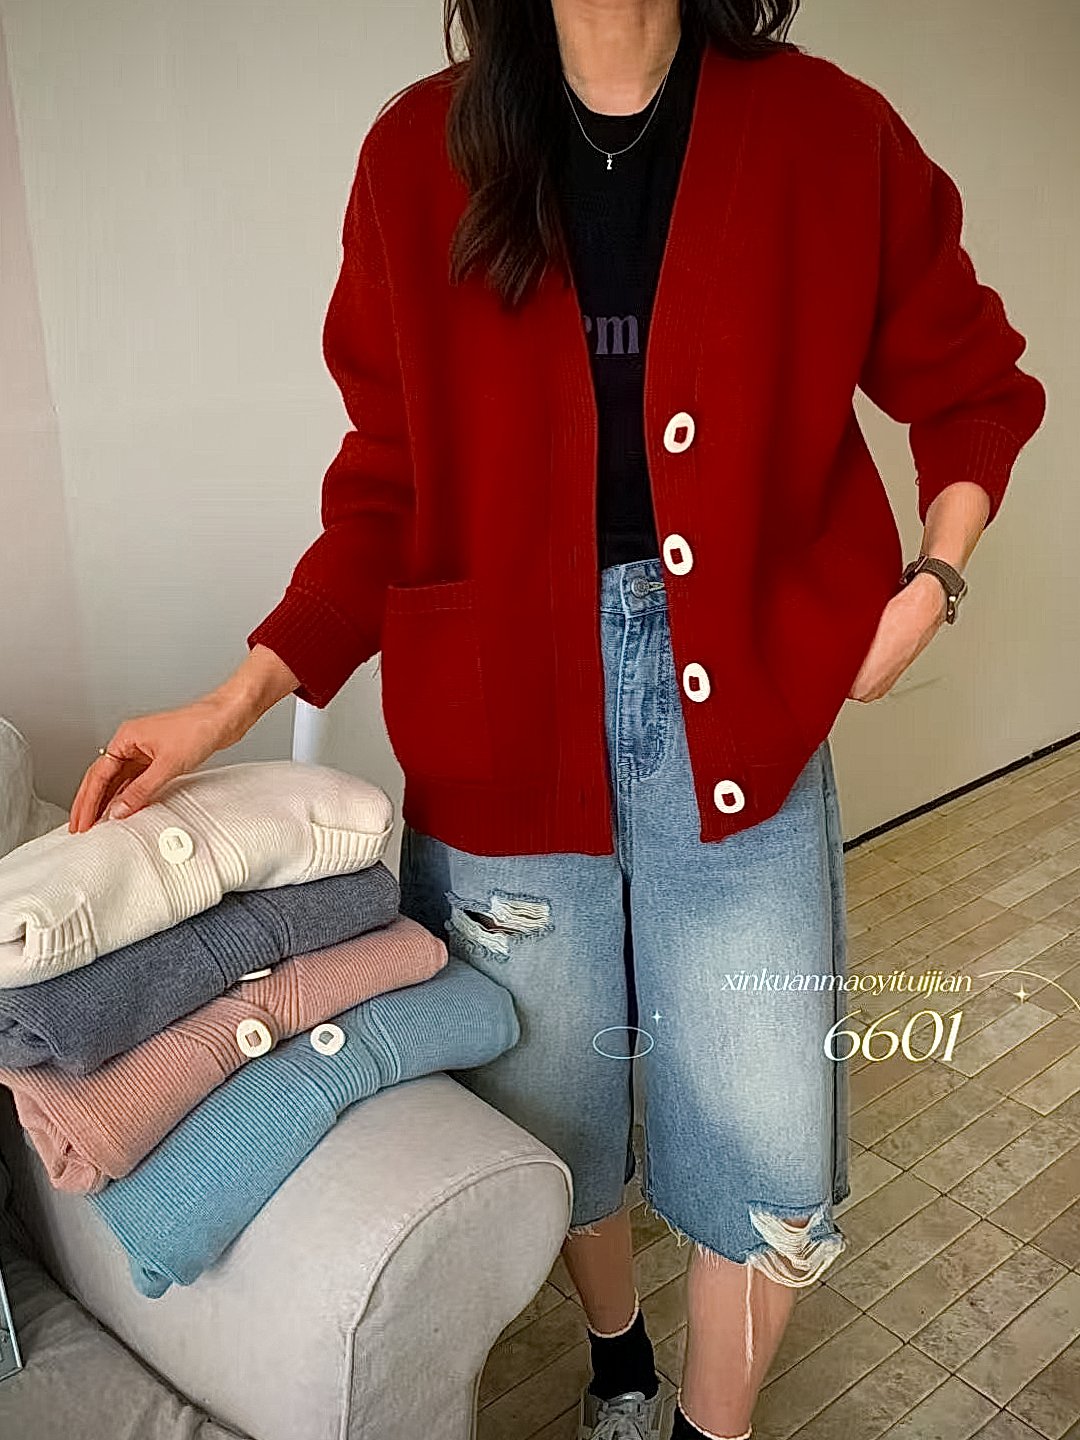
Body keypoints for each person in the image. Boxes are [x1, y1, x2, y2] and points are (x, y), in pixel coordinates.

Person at [69, 1, 1045, 1436]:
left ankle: (713, 1427)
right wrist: (233, 701)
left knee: (766, 1141)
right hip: (503, 722)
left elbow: (971, 385)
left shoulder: (829, 132)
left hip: (749, 719)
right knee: (551, 1117)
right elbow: (387, 488)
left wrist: (934, 579)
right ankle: (619, 1361)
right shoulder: (419, 154)